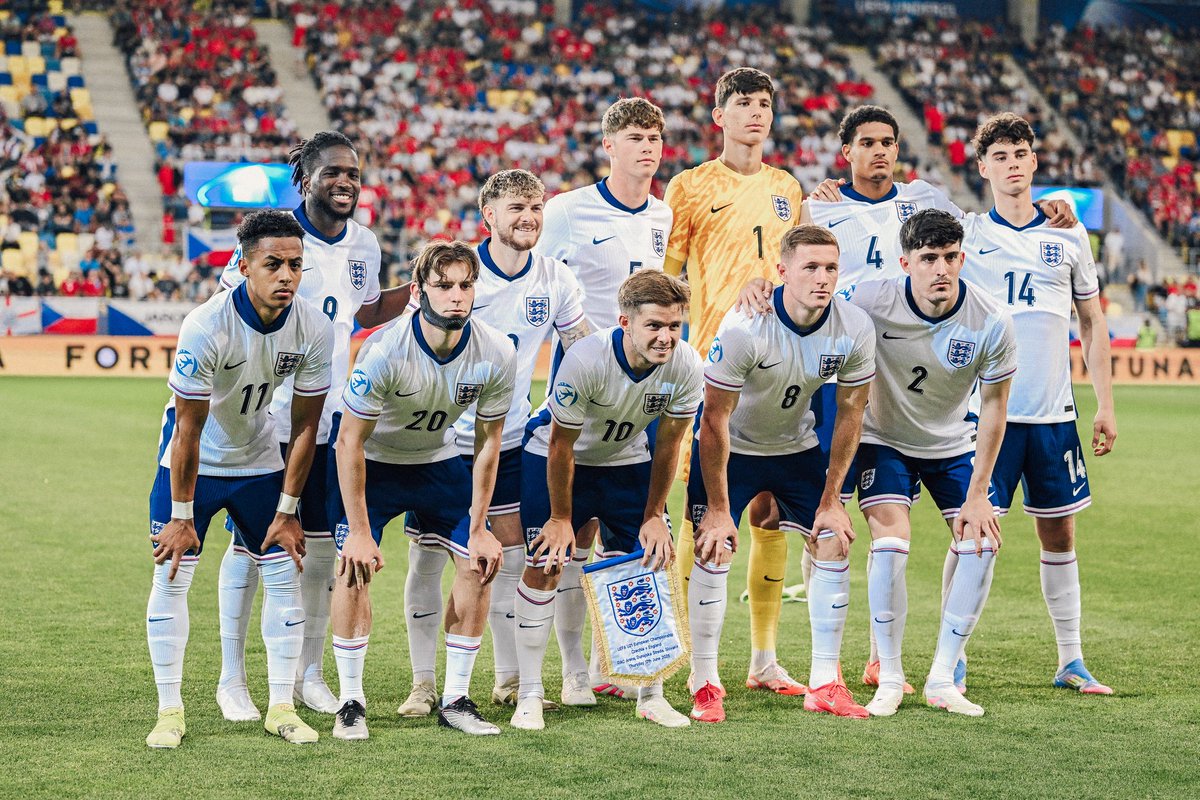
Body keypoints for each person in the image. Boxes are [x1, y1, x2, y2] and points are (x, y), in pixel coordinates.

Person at [799, 104, 1076, 692]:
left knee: (979, 537)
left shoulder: (933, 206)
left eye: (889, 142)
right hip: (863, 396)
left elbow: (989, 220)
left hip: (947, 427)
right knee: (817, 524)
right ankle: (858, 664)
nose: (879, 151)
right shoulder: (821, 209)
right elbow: (807, 276)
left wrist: (1056, 205)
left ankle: (941, 675)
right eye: (867, 142)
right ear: (845, 149)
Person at [216, 131, 411, 720]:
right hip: (267, 419)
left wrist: (417, 291)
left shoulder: (366, 244)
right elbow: (234, 313)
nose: (345, 181)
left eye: (353, 171)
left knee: (323, 552)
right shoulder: (274, 238)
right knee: (252, 546)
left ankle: (308, 674)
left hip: (332, 421)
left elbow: (361, 312)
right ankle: (232, 677)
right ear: (305, 176)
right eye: (332, 172)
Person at [397, 169, 590, 719]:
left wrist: (555, 412)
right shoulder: (457, 276)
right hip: (438, 442)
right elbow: (416, 348)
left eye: (535, 206)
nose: (528, 217)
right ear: (489, 217)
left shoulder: (555, 278)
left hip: (507, 442)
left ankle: (507, 679)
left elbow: (580, 354)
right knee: (429, 558)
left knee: (504, 560)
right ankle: (422, 684)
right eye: (515, 208)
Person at [144, 210, 333, 748]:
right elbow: (186, 429)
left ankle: (280, 707)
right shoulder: (206, 325)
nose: (286, 276)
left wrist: (289, 508)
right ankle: (170, 711)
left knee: (282, 576)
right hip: (193, 465)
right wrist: (182, 517)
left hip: (258, 462)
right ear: (244, 265)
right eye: (273, 264)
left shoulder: (313, 326)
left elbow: (304, 425)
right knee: (172, 576)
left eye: (296, 265)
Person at [688, 225, 875, 723]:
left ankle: (825, 682)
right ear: (782, 272)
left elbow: (852, 412)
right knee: (714, 544)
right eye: (810, 267)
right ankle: (704, 681)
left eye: (830, 267)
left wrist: (833, 498)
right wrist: (721, 509)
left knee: (833, 538)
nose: (822, 277)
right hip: (735, 449)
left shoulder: (853, 325)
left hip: (797, 445)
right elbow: (713, 420)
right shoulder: (745, 326)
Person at [329, 241, 516, 739]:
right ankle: (351, 701)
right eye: (444, 285)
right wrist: (361, 532)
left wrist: (479, 527)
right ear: (418, 291)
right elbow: (349, 441)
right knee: (352, 562)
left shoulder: (497, 349)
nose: (457, 296)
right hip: (373, 464)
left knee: (480, 560)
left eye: (466, 285)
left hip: (436, 460)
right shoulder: (384, 348)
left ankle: (455, 698)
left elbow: (487, 443)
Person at [960, 112, 1116, 695]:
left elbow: (1092, 324)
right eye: (999, 156)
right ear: (983, 168)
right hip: (986, 416)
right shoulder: (967, 233)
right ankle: (953, 655)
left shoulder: (1069, 235)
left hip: (1054, 417)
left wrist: (1104, 404)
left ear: (1034, 162)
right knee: (974, 535)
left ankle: (1071, 660)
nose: (1012, 164)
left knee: (1060, 536)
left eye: (1021, 154)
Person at [664, 66, 807, 696]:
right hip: (707, 367)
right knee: (704, 516)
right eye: (743, 103)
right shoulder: (690, 187)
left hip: (778, 367)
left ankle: (763, 658)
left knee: (768, 513)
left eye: (765, 104)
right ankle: (698, 662)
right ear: (718, 115)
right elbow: (666, 279)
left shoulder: (789, 188)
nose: (756, 113)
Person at [512, 269, 703, 730]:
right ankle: (532, 693)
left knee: (651, 559)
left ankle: (651, 692)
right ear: (625, 323)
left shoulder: (686, 365)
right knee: (548, 565)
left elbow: (670, 443)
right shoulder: (586, 360)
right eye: (654, 325)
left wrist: (655, 514)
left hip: (626, 460)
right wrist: (561, 517)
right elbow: (560, 445)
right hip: (557, 460)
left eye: (674, 326)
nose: (665, 337)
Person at [847, 209, 1016, 717]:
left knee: (981, 542)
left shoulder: (991, 320)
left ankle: (944, 675)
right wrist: (765, 286)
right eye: (928, 259)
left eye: (949, 257)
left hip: (951, 445)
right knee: (892, 543)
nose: (940, 268)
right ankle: (891, 676)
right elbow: (813, 314)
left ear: (962, 258)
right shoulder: (869, 300)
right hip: (885, 439)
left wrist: (979, 492)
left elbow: (994, 407)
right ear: (906, 262)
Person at [536, 96, 673, 701]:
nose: (647, 148)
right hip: (580, 387)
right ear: (608, 145)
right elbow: (538, 286)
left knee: (618, 546)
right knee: (573, 540)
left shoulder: (662, 216)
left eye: (655, 138)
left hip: (636, 398)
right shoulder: (567, 211)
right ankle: (571, 674)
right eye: (635, 137)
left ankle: (607, 665)